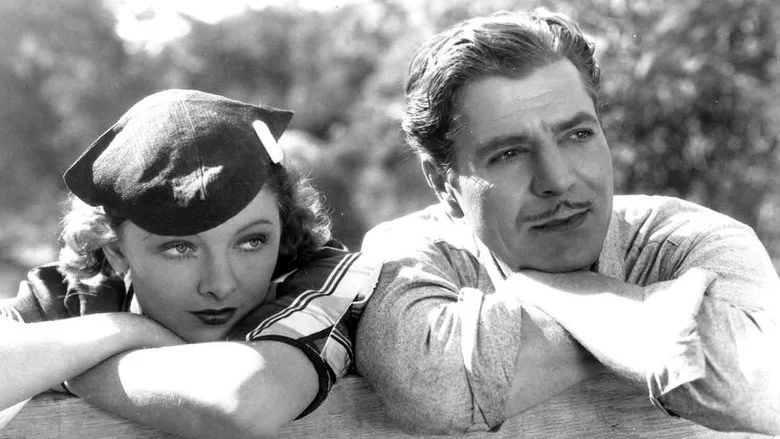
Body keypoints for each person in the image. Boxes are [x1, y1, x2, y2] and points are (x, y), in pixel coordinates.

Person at [355, 9, 780, 436]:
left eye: (577, 135)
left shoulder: (687, 241)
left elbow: (759, 387)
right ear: (443, 184)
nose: (557, 180)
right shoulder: (411, 255)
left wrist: (540, 291)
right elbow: (432, 386)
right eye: (509, 154)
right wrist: (638, 311)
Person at [0, 89, 379, 438]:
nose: (220, 284)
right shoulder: (75, 295)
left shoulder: (322, 278)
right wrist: (128, 330)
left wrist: (69, 364)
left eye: (252, 241)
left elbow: (239, 404)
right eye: (180, 248)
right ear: (116, 251)